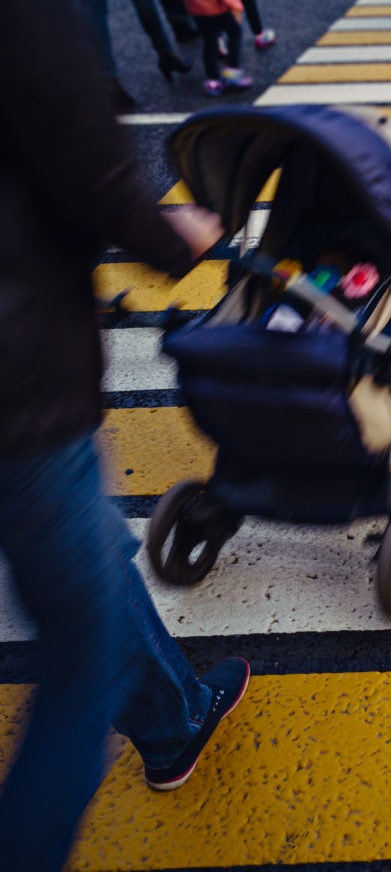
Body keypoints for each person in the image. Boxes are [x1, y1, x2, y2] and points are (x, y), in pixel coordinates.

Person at [0, 3, 250, 870]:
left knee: (87, 553)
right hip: (14, 388)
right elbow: (85, 163)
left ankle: (174, 717)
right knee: (81, 657)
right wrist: (174, 237)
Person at [183, 0, 254, 96]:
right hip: (217, 8)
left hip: (197, 10)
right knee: (235, 32)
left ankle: (213, 81)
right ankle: (232, 72)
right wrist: (235, 6)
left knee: (210, 42)